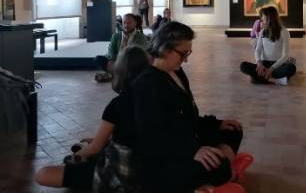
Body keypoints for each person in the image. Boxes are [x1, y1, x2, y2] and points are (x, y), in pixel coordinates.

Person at [130, 21, 244, 192]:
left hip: (189, 137)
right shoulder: (147, 84)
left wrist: (215, 124)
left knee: (233, 130)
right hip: (166, 158)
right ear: (165, 49)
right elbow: (152, 138)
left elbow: (188, 116)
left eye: (188, 53)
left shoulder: (176, 72)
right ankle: (220, 173)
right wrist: (192, 151)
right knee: (217, 167)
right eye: (183, 54)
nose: (186, 59)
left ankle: (215, 176)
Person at [35, 46, 151, 190]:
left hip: (123, 172)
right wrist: (107, 139)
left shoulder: (118, 104)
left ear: (121, 70)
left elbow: (96, 148)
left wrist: (77, 155)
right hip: (148, 167)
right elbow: (133, 133)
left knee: (43, 174)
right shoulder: (153, 98)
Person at [240, 6, 296, 86]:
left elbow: (285, 56)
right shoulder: (263, 32)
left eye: (263, 16)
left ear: (269, 17)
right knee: (243, 66)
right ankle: (276, 80)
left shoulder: (284, 32)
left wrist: (271, 69)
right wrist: (259, 63)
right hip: (264, 64)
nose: (261, 18)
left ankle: (260, 78)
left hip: (277, 65)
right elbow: (258, 50)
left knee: (291, 68)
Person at [94, 14, 148, 82]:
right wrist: (115, 60)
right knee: (98, 59)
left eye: (129, 23)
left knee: (137, 65)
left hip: (131, 63)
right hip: (116, 62)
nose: (126, 25)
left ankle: (113, 75)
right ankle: (119, 75)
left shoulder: (140, 37)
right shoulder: (116, 36)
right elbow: (111, 52)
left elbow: (139, 54)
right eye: (124, 23)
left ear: (135, 23)